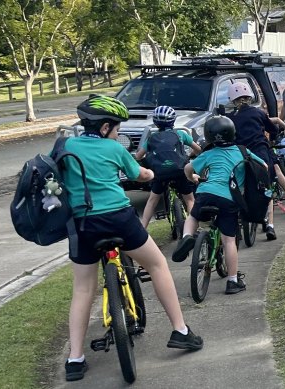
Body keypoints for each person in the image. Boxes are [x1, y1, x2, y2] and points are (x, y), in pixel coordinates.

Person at [61, 95, 203, 382]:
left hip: (82, 224)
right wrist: (150, 173)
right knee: (157, 265)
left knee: (83, 288)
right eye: (115, 127)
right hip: (118, 219)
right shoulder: (113, 148)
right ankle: (180, 330)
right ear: (103, 128)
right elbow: (139, 173)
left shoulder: (66, 147)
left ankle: (75, 359)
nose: (117, 133)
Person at [171, 116, 267, 294]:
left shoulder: (208, 153)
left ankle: (186, 238)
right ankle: (232, 281)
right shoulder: (242, 151)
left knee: (193, 216)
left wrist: (192, 178)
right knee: (229, 240)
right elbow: (263, 166)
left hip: (205, 193)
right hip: (229, 198)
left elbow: (187, 169)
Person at [226, 82, 280, 240]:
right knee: (267, 188)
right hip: (260, 154)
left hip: (240, 155)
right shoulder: (259, 113)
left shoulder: (230, 118)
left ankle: (237, 223)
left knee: (239, 186)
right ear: (249, 97)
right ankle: (270, 225)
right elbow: (273, 129)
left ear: (232, 99)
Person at [135, 105, 201, 228]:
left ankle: (143, 228)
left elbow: (139, 156)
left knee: (152, 201)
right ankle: (193, 228)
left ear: (155, 122)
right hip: (180, 171)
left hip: (160, 173)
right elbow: (198, 149)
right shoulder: (181, 134)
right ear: (173, 120)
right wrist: (192, 155)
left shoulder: (151, 138)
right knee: (190, 200)